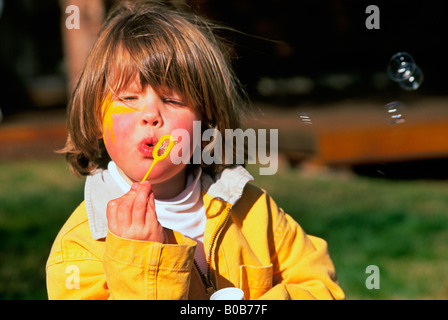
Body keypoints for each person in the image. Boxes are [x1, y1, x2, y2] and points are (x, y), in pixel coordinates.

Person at [46, 0, 345, 300]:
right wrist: (137, 259)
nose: (151, 115)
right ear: (97, 118)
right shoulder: (80, 246)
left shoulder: (252, 211)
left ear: (206, 123)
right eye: (128, 98)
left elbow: (320, 286)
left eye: (173, 100)